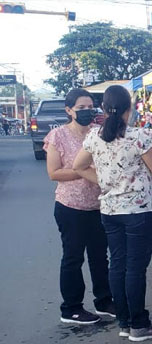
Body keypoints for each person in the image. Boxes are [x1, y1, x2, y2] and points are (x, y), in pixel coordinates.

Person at [73, 85, 152, 342]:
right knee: (135, 268)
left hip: (110, 210)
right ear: (130, 108)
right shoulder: (139, 136)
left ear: (104, 108)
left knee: (117, 264)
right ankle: (140, 324)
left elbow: (78, 166)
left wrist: (105, 182)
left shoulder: (94, 136)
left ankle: (125, 323)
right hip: (139, 210)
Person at [45, 88, 115, 325]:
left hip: (99, 205)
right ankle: (71, 308)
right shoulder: (58, 136)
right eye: (81, 108)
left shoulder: (99, 133)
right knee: (73, 257)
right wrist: (83, 170)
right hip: (70, 206)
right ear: (69, 110)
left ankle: (104, 300)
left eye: (90, 107)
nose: (87, 112)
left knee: (100, 256)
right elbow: (54, 173)